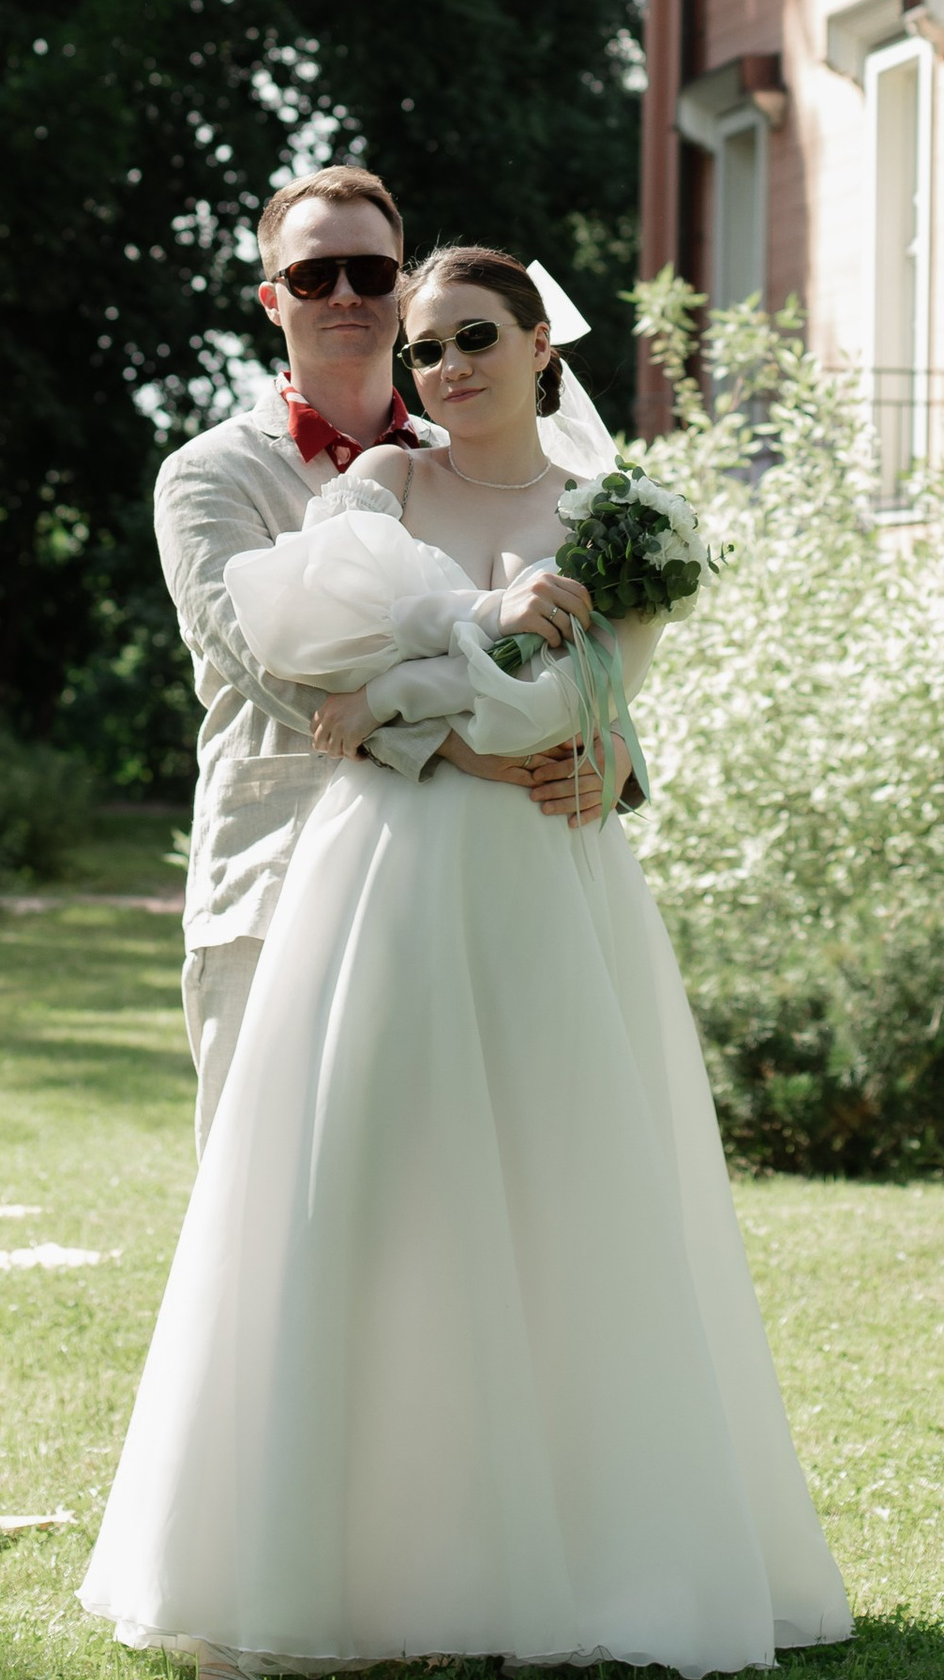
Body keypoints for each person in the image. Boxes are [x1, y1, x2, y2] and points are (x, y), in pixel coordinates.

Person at [82, 245, 850, 1680]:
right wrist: (484, 639)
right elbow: (324, 693)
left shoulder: (627, 521)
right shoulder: (374, 495)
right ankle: (352, 1562)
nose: (447, 370)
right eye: (426, 351)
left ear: (543, 342)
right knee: (375, 1196)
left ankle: (586, 1554)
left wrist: (576, 732)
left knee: (572, 1198)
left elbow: (580, 711)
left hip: (557, 896)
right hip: (388, 883)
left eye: (474, 337)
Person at [155, 165, 617, 1155]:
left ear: (403, 287)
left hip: (469, 884)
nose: (347, 296)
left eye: (370, 272)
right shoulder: (208, 476)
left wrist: (612, 756)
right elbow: (277, 670)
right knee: (273, 1195)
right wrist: (471, 747)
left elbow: (578, 627)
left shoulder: (484, 444)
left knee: (446, 1200)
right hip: (277, 877)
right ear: (273, 298)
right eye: (315, 276)